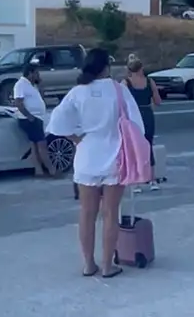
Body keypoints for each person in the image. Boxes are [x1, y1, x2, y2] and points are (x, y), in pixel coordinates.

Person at [47, 48, 145, 279]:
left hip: (87, 156)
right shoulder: (119, 89)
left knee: (86, 213)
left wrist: (76, 139)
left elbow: (56, 122)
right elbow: (137, 125)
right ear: (106, 67)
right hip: (115, 157)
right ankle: (108, 266)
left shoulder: (77, 92)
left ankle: (88, 264)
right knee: (110, 213)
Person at [125, 53, 162, 193]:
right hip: (147, 114)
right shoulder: (149, 82)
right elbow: (158, 101)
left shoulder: (125, 83)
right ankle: (152, 179)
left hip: (133, 116)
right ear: (141, 68)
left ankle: (136, 182)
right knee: (148, 146)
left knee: (134, 147)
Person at [13, 62, 55, 177]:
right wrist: (29, 116)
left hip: (37, 118)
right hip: (30, 119)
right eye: (36, 73)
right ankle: (51, 170)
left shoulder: (32, 85)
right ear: (30, 73)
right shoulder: (20, 85)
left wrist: (40, 84)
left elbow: (41, 96)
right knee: (42, 145)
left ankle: (39, 171)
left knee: (34, 146)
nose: (38, 75)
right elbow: (18, 102)